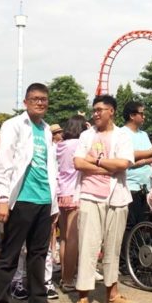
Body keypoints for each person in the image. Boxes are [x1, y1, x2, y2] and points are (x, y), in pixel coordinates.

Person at [0, 82, 61, 303]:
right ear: (26, 102)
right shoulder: (13, 126)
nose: (40, 102)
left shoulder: (47, 131)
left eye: (44, 99)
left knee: (39, 255)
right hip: (21, 200)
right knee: (9, 256)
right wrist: (1, 199)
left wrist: (54, 206)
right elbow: (4, 163)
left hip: (43, 200)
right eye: (35, 99)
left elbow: (52, 169)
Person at [72, 95, 136, 303]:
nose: (96, 113)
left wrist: (96, 161)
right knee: (88, 247)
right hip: (90, 196)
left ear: (112, 111)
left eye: (101, 109)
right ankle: (82, 297)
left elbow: (123, 163)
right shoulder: (86, 135)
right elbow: (78, 163)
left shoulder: (122, 136)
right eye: (94, 109)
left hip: (116, 197)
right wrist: (108, 168)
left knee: (113, 247)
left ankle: (112, 293)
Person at [121, 101, 152, 274]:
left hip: (146, 186)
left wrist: (140, 160)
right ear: (131, 115)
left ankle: (140, 259)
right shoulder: (122, 133)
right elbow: (127, 156)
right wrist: (148, 155)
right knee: (129, 225)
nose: (144, 116)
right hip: (130, 186)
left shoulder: (143, 134)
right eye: (141, 113)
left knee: (144, 224)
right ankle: (126, 261)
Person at [56, 116, 86, 292]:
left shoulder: (60, 145)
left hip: (61, 193)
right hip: (75, 192)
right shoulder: (78, 145)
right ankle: (69, 279)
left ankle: (64, 277)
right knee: (73, 237)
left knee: (65, 238)